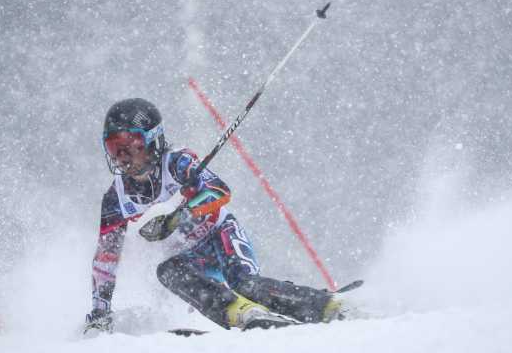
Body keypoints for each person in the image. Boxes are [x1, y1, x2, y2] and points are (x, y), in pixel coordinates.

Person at [85, 98, 344, 333]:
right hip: (189, 257)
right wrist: (100, 311)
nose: (122, 158)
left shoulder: (176, 163)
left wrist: (178, 216)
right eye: (114, 148)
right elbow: (106, 259)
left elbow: (220, 191)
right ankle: (241, 314)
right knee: (167, 271)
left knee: (246, 285)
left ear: (153, 141)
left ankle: (327, 305)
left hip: (219, 235)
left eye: (130, 146)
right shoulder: (115, 199)